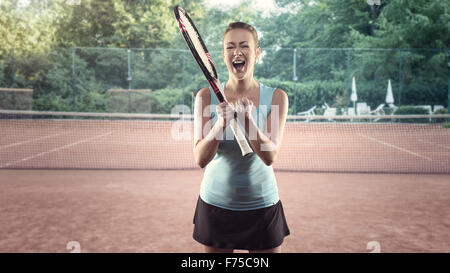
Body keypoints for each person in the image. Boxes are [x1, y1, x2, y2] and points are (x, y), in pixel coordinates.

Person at [192, 22, 290, 253]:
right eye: (230, 47)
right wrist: (221, 125)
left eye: (244, 46)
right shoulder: (205, 96)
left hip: (262, 206)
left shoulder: (277, 97)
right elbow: (200, 159)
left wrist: (247, 120)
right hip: (215, 205)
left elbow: (269, 156)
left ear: (257, 53)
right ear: (223, 55)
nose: (237, 52)